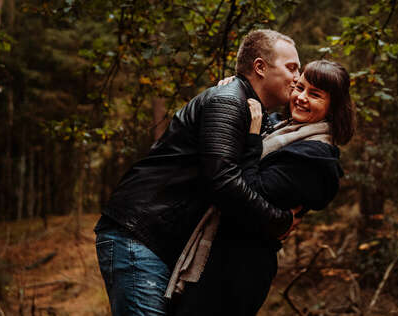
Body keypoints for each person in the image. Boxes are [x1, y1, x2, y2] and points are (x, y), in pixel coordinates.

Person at [95, 30, 302, 316]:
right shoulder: (229, 102)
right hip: (139, 234)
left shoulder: (249, 110)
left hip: (162, 242)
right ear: (260, 67)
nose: (298, 78)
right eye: (291, 68)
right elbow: (223, 180)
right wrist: (278, 221)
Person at [167, 59, 354, 316]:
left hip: (240, 267)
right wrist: (232, 91)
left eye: (315, 94)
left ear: (333, 107)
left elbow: (251, 190)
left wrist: (253, 140)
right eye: (299, 88)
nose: (301, 98)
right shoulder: (282, 129)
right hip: (219, 255)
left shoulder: (315, 157)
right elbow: (245, 121)